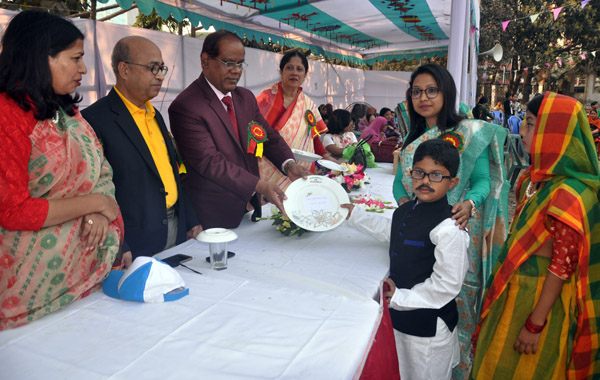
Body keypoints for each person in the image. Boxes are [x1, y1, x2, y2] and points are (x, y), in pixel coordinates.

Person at [0, 11, 123, 330]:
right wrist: (95, 204)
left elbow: (101, 172)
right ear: (42, 58)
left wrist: (102, 214)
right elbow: (14, 211)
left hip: (88, 279)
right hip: (29, 299)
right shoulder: (7, 117)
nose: (84, 68)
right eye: (76, 57)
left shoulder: (66, 111)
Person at [471, 93, 600, 379]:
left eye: (530, 124)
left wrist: (535, 323)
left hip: (540, 299)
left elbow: (561, 266)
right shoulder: (534, 179)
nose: (522, 131)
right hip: (514, 288)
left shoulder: (570, 193)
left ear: (555, 132)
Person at [392, 63, 508, 379]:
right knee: (418, 296)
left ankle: (456, 370)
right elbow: (400, 182)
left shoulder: (468, 131)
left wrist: (469, 203)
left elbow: (483, 180)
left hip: (454, 228)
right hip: (419, 233)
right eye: (416, 92)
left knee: (451, 298)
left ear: (446, 92)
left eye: (432, 90)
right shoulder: (412, 136)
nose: (423, 98)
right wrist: (407, 207)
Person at [346, 139, 470, 379]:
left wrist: (400, 297)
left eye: (436, 175)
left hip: (428, 328)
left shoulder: (450, 227)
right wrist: (354, 215)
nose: (425, 181)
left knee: (423, 372)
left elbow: (447, 285)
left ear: (452, 182)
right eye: (419, 172)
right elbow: (390, 231)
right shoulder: (407, 209)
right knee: (401, 370)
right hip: (401, 319)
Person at [168, 30, 309, 229]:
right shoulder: (187, 106)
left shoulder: (245, 98)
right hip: (214, 215)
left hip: (248, 208)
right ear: (205, 60)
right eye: (228, 63)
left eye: (240, 63)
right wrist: (257, 185)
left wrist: (288, 164)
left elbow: (267, 136)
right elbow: (209, 163)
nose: (236, 70)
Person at [82, 36, 201, 267]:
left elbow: (171, 172)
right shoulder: (95, 120)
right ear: (124, 70)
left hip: (174, 230)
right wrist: (120, 242)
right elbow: (92, 188)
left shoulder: (154, 115)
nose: (160, 75)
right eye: (152, 68)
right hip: (133, 241)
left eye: (162, 68)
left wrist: (190, 219)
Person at [255, 50, 330, 190]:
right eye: (289, 68)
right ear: (281, 71)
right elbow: (254, 135)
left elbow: (312, 137)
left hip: (300, 167)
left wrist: (325, 155)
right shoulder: (265, 98)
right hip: (269, 164)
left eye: (299, 69)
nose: (294, 73)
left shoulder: (308, 104)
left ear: (305, 75)